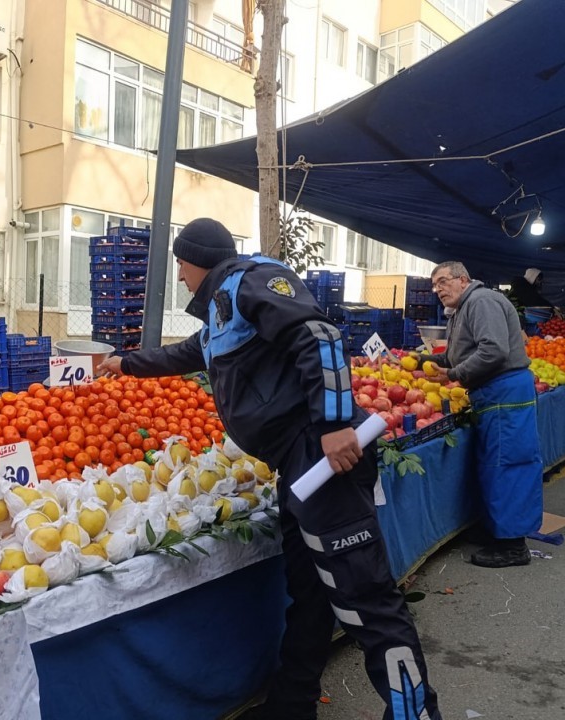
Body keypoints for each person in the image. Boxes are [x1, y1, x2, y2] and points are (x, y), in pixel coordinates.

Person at [98, 218, 442, 720]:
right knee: (310, 594)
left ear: (197, 260)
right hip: (298, 466)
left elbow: (318, 336)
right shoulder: (222, 311)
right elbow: (189, 353)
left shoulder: (250, 280)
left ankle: (415, 714)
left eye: (179, 264)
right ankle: (291, 705)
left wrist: (335, 421)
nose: (178, 276)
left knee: (364, 596)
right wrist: (126, 364)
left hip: (324, 458)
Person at [424, 261, 543, 568]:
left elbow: (493, 351)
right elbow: (455, 355)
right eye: (434, 285)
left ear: (463, 279)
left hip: (505, 393)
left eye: (442, 282)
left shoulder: (481, 301)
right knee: (493, 464)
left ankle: (513, 545)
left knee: (508, 464)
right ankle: (496, 529)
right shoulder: (462, 309)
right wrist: (421, 359)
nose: (437, 289)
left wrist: (453, 374)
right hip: (492, 394)